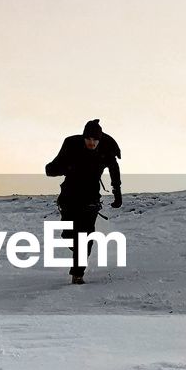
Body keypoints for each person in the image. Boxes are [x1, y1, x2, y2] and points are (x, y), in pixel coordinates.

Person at [45, 119, 122, 283]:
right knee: (68, 235)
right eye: (89, 139)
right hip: (69, 199)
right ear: (84, 137)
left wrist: (117, 191)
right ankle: (79, 253)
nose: (92, 143)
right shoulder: (71, 145)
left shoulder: (106, 149)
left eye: (95, 140)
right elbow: (52, 168)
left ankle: (78, 273)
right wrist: (66, 168)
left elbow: (114, 169)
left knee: (85, 236)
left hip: (91, 200)